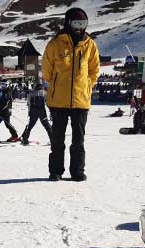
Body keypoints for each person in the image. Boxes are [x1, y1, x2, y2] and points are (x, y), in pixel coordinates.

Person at [42, 7, 100, 181]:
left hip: (80, 101)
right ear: (68, 23)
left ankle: (77, 171)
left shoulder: (90, 44)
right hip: (58, 101)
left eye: (83, 23)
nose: (79, 27)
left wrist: (86, 85)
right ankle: (56, 171)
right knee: (57, 140)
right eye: (76, 23)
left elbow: (94, 70)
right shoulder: (55, 44)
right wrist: (58, 84)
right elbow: (46, 71)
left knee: (78, 141)